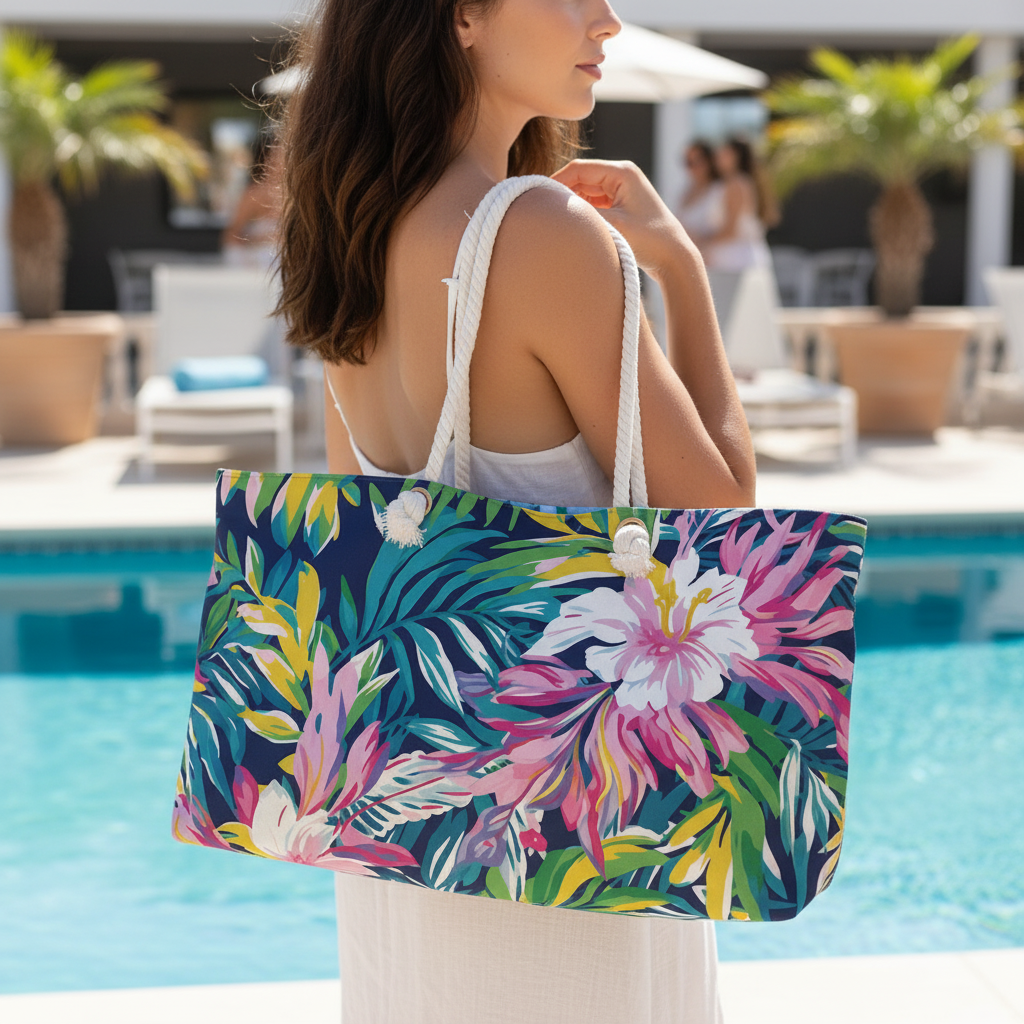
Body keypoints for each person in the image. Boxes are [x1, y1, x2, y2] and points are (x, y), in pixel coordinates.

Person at [276, 1, 755, 1022]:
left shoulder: (349, 228)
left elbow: (363, 536)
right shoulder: (541, 233)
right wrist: (683, 272)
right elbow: (721, 513)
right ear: (461, 14)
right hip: (565, 838)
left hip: (406, 829)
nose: (609, 22)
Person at [702, 137, 779, 272]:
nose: (718, 157)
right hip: (735, 256)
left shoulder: (737, 184)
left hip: (736, 259)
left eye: (725, 153)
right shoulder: (731, 183)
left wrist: (704, 244)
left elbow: (732, 230)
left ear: (736, 157)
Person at [221, 132, 284, 268]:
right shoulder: (254, 194)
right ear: (266, 159)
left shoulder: (295, 193)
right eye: (277, 155)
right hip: (258, 265)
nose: (282, 160)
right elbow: (232, 234)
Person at [677, 141, 725, 247]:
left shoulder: (722, 189)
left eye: (697, 161)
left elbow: (731, 230)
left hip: (722, 256)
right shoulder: (684, 191)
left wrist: (701, 242)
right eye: (688, 162)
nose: (693, 167)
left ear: (709, 161)